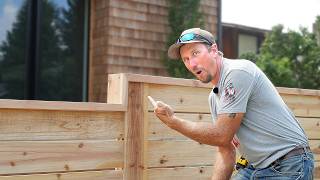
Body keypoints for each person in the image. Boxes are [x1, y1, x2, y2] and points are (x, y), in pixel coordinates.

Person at [151, 28, 314, 179]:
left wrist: (174, 122)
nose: (191, 64)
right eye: (186, 59)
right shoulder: (214, 97)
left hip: (289, 164)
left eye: (195, 53)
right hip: (257, 167)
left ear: (213, 50)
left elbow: (221, 135)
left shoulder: (237, 72)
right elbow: (225, 149)